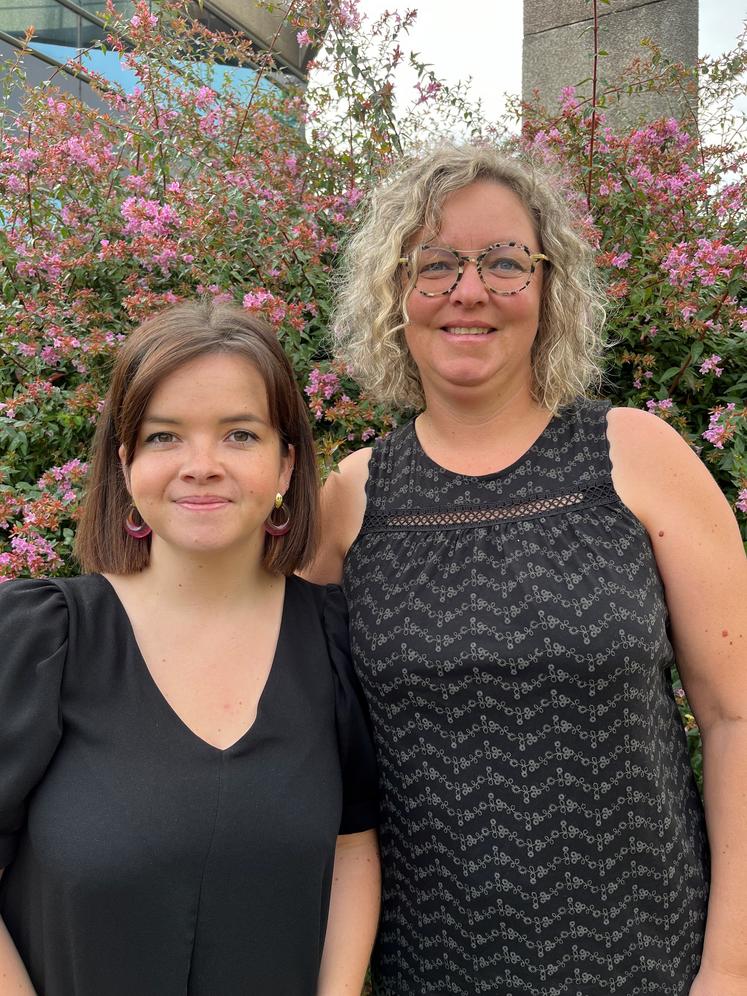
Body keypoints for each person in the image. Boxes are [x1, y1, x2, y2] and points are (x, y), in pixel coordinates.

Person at [306, 144, 747, 995]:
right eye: (434, 263)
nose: (468, 291)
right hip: (427, 973)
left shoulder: (638, 457)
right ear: (395, 294)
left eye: (505, 262)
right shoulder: (349, 502)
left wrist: (729, 967)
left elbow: (735, 720)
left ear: (549, 290)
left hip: (653, 965)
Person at [0, 301, 380, 996]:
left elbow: (352, 845)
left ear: (286, 465)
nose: (200, 466)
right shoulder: (40, 639)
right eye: (164, 437)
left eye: (239, 434)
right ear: (126, 463)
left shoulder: (335, 642)